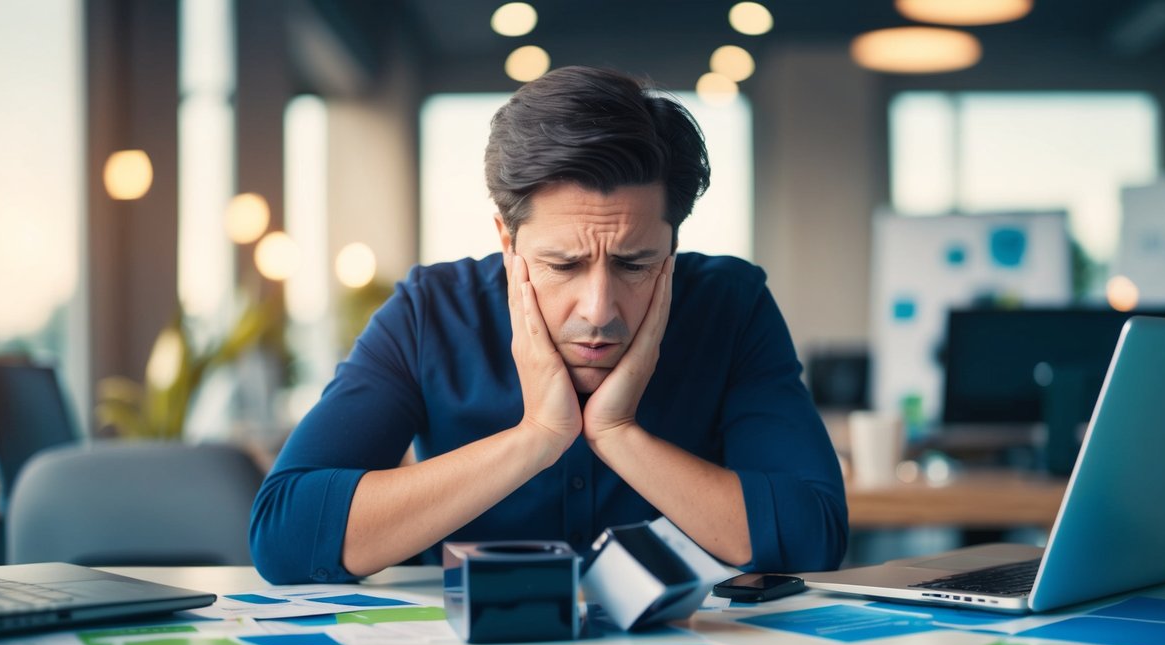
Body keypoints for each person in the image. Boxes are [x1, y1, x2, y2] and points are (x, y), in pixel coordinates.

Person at [250, 66, 847, 584]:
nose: (599, 310)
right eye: (564, 265)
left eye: (635, 264)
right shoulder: (431, 312)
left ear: (673, 245)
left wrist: (618, 433)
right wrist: (535, 436)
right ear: (507, 241)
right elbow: (286, 536)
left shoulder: (730, 307)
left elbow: (812, 534)